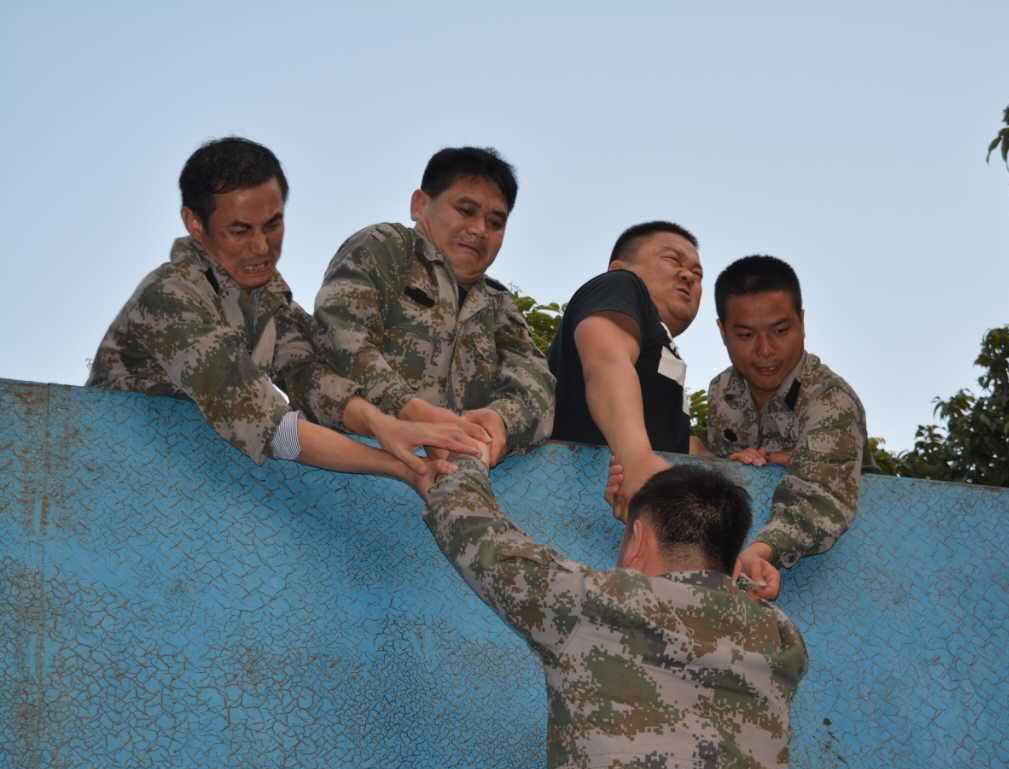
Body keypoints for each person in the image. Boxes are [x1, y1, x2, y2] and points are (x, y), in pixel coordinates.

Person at [415, 452, 807, 769]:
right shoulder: (778, 636)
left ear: (637, 540)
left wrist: (464, 463)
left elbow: (482, 542)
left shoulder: (602, 606)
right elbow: (710, 593)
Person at [89, 137, 486, 480]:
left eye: (273, 225)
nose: (262, 248)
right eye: (240, 230)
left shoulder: (270, 302)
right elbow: (268, 425)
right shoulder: (170, 296)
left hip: (188, 477)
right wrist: (402, 467)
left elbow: (311, 377)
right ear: (195, 223)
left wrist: (382, 422)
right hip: (104, 470)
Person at [314, 146, 554, 468]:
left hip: (455, 476)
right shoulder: (388, 249)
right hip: (348, 465)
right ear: (420, 204)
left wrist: (501, 421)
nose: (479, 230)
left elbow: (538, 387)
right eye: (465, 210)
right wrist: (408, 409)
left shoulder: (500, 305)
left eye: (496, 223)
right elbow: (339, 336)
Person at [706, 254, 868, 590]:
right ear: (722, 331)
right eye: (745, 335)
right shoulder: (722, 392)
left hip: (835, 574)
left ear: (802, 322)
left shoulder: (831, 399)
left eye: (781, 331)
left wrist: (760, 553)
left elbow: (821, 497)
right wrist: (735, 467)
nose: (765, 350)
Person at [547, 221, 704, 515]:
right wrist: (637, 460)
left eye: (698, 274)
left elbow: (677, 443)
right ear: (619, 268)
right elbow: (606, 362)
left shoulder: (661, 351)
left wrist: (735, 459)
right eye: (673, 260)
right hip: (569, 502)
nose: (688, 276)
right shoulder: (621, 285)